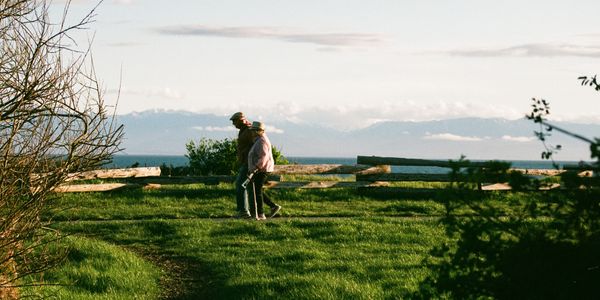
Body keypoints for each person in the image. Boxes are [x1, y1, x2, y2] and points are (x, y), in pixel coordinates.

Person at [247, 121, 282, 220]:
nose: (252, 132)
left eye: (253, 130)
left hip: (261, 170)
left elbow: (263, 157)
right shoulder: (259, 140)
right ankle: (272, 206)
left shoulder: (262, 141)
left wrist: (255, 168)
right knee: (258, 190)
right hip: (260, 169)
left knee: (257, 191)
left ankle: (261, 213)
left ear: (258, 131)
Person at [230, 112, 254, 218]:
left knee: (240, 185)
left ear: (241, 120)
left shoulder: (248, 130)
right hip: (246, 162)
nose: (233, 124)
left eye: (234, 121)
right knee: (247, 186)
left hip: (248, 163)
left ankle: (243, 211)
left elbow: (255, 145)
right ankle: (272, 206)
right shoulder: (244, 130)